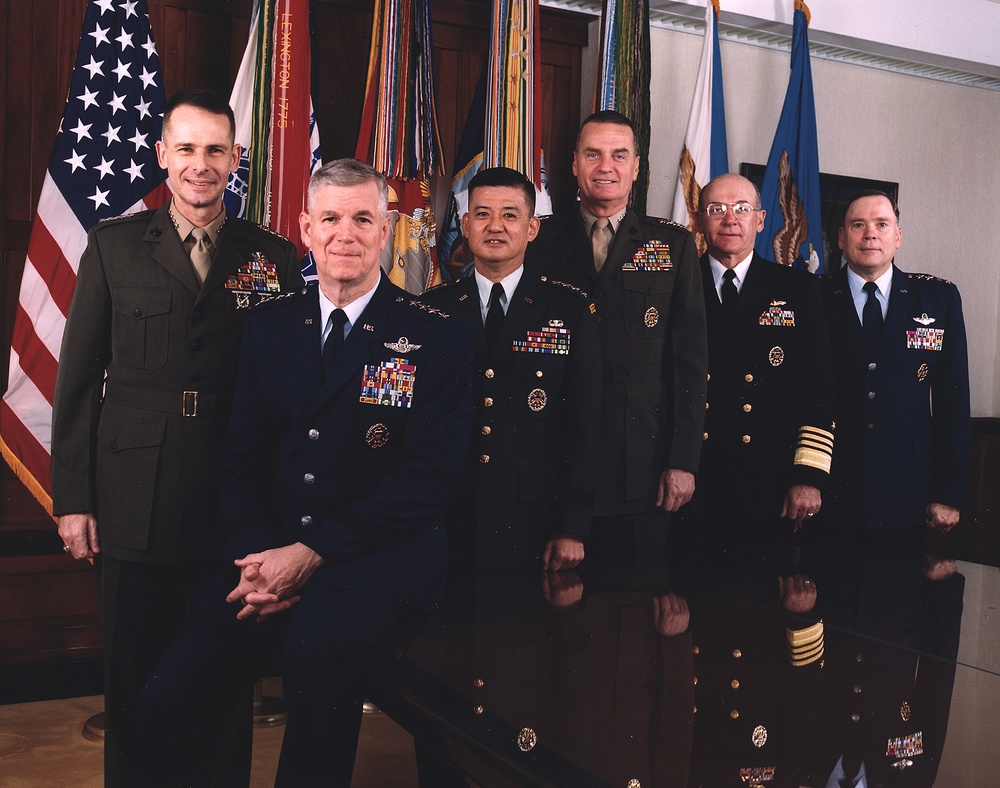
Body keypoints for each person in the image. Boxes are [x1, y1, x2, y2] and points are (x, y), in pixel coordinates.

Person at [139, 158, 474, 787]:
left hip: (374, 563)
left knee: (316, 659)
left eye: (362, 218)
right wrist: (257, 558)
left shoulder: (436, 336)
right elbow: (240, 461)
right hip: (271, 556)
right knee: (168, 691)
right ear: (306, 229)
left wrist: (310, 553)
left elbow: (424, 484)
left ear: (387, 230)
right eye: (330, 219)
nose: (345, 233)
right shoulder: (269, 328)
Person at [49, 88, 301, 785]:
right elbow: (77, 382)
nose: (200, 164)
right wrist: (74, 498)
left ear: (235, 160)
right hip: (134, 496)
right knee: (134, 677)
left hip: (232, 499)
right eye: (186, 148)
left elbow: (282, 392)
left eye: (215, 150)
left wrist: (280, 514)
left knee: (224, 678)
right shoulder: (115, 247)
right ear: (163, 155)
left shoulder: (272, 257)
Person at [526, 110, 707, 560]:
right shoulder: (537, 241)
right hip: (552, 457)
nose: (606, 166)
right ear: (574, 164)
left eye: (618, 155)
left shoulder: (673, 246)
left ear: (636, 167)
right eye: (593, 154)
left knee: (632, 611)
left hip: (639, 466)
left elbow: (690, 363)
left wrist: (683, 461)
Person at [421, 166, 601, 572]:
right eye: (482, 214)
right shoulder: (434, 310)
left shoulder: (568, 311)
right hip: (446, 511)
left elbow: (584, 426)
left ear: (532, 227)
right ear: (465, 225)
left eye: (510, 214)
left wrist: (572, 526)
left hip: (532, 513)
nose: (495, 226)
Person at [681, 173, 835, 551]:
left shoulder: (797, 289)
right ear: (699, 220)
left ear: (761, 220)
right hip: (692, 478)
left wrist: (808, 475)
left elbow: (818, 387)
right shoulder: (677, 284)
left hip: (768, 480)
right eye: (716, 209)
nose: (730, 219)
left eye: (742, 209)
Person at [821, 190, 970, 549]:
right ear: (841, 238)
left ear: (897, 236)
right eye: (858, 225)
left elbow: (953, 401)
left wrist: (949, 491)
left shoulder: (938, 299)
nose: (870, 234)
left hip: (909, 487)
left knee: (900, 599)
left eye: (881, 224)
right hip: (831, 487)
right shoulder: (815, 297)